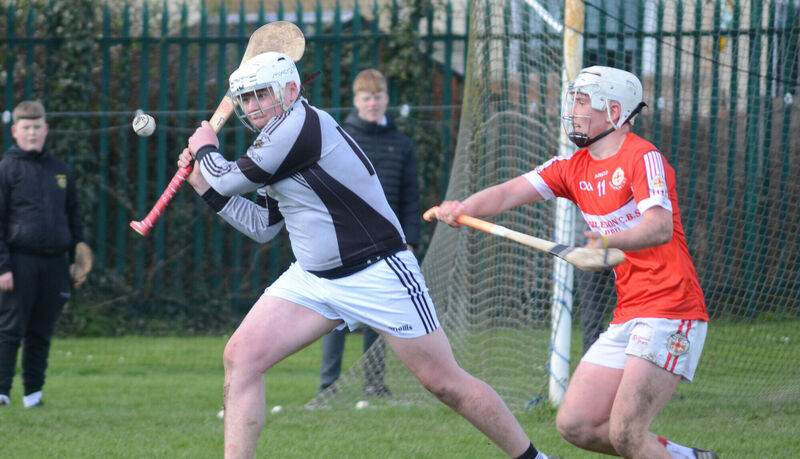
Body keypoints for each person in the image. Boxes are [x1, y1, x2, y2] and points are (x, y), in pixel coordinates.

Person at [176, 51, 554, 459]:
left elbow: (230, 178)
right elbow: (262, 227)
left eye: (259, 95)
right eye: (246, 99)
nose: (251, 107)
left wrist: (205, 149)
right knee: (241, 357)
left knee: (444, 383)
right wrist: (204, 186)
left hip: (378, 273)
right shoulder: (270, 143)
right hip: (314, 281)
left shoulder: (302, 126)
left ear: (289, 91)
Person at [432, 66, 717, 459]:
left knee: (626, 432)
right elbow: (508, 192)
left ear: (614, 112)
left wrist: (606, 240)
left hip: (671, 308)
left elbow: (659, 228)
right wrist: (463, 207)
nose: (574, 111)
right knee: (575, 424)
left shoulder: (642, 157)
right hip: (629, 310)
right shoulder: (572, 167)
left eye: (584, 102)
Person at [318, 68, 420, 397]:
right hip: (347, 240)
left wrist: (410, 240)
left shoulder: (401, 143)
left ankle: (374, 385)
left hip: (389, 243)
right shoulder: (340, 137)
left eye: (378, 97)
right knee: (335, 314)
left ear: (387, 99)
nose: (372, 103)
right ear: (355, 101)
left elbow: (410, 196)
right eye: (366, 97)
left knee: (380, 314)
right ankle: (328, 387)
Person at [0, 100, 87, 408]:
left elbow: (73, 216)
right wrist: (3, 267)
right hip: (19, 261)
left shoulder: (60, 170)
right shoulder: (6, 169)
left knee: (41, 331)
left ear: (46, 129)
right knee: (11, 329)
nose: (32, 133)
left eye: (37, 127)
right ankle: (2, 393)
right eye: (26, 128)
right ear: (15, 131)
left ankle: (33, 395)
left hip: (55, 264)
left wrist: (77, 256)